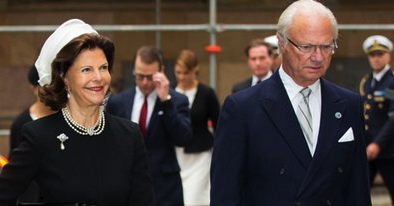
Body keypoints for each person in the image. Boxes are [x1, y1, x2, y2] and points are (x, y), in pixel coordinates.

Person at [210, 0, 371, 205]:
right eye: (306, 47)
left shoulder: (349, 104)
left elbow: (358, 190)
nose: (318, 57)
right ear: (282, 43)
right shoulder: (243, 109)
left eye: (326, 46)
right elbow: (225, 194)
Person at [0, 19, 155, 205]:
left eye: (103, 68)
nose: (98, 77)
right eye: (86, 69)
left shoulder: (129, 136)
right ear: (65, 77)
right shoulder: (40, 136)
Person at [106, 45, 192, 206]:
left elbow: (183, 137)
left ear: (161, 71)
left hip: (164, 186)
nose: (145, 82)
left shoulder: (176, 100)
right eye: (140, 76)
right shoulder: (118, 102)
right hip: (127, 184)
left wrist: (166, 101)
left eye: (150, 77)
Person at [359, 35, 394, 206]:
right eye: (372, 55)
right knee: (359, 194)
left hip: (387, 149)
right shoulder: (367, 82)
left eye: (380, 54)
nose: (376, 58)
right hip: (367, 148)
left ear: (388, 56)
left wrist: (378, 144)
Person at [173, 49, 220, 206]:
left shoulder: (206, 93)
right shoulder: (169, 93)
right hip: (176, 154)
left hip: (201, 156)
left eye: (185, 72)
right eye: (178, 72)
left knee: (194, 198)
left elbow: (218, 123)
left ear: (195, 70)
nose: (181, 77)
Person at [8, 65, 56, 203]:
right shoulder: (22, 123)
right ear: (33, 88)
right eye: (43, 87)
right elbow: (15, 164)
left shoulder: (66, 118)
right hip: (31, 195)